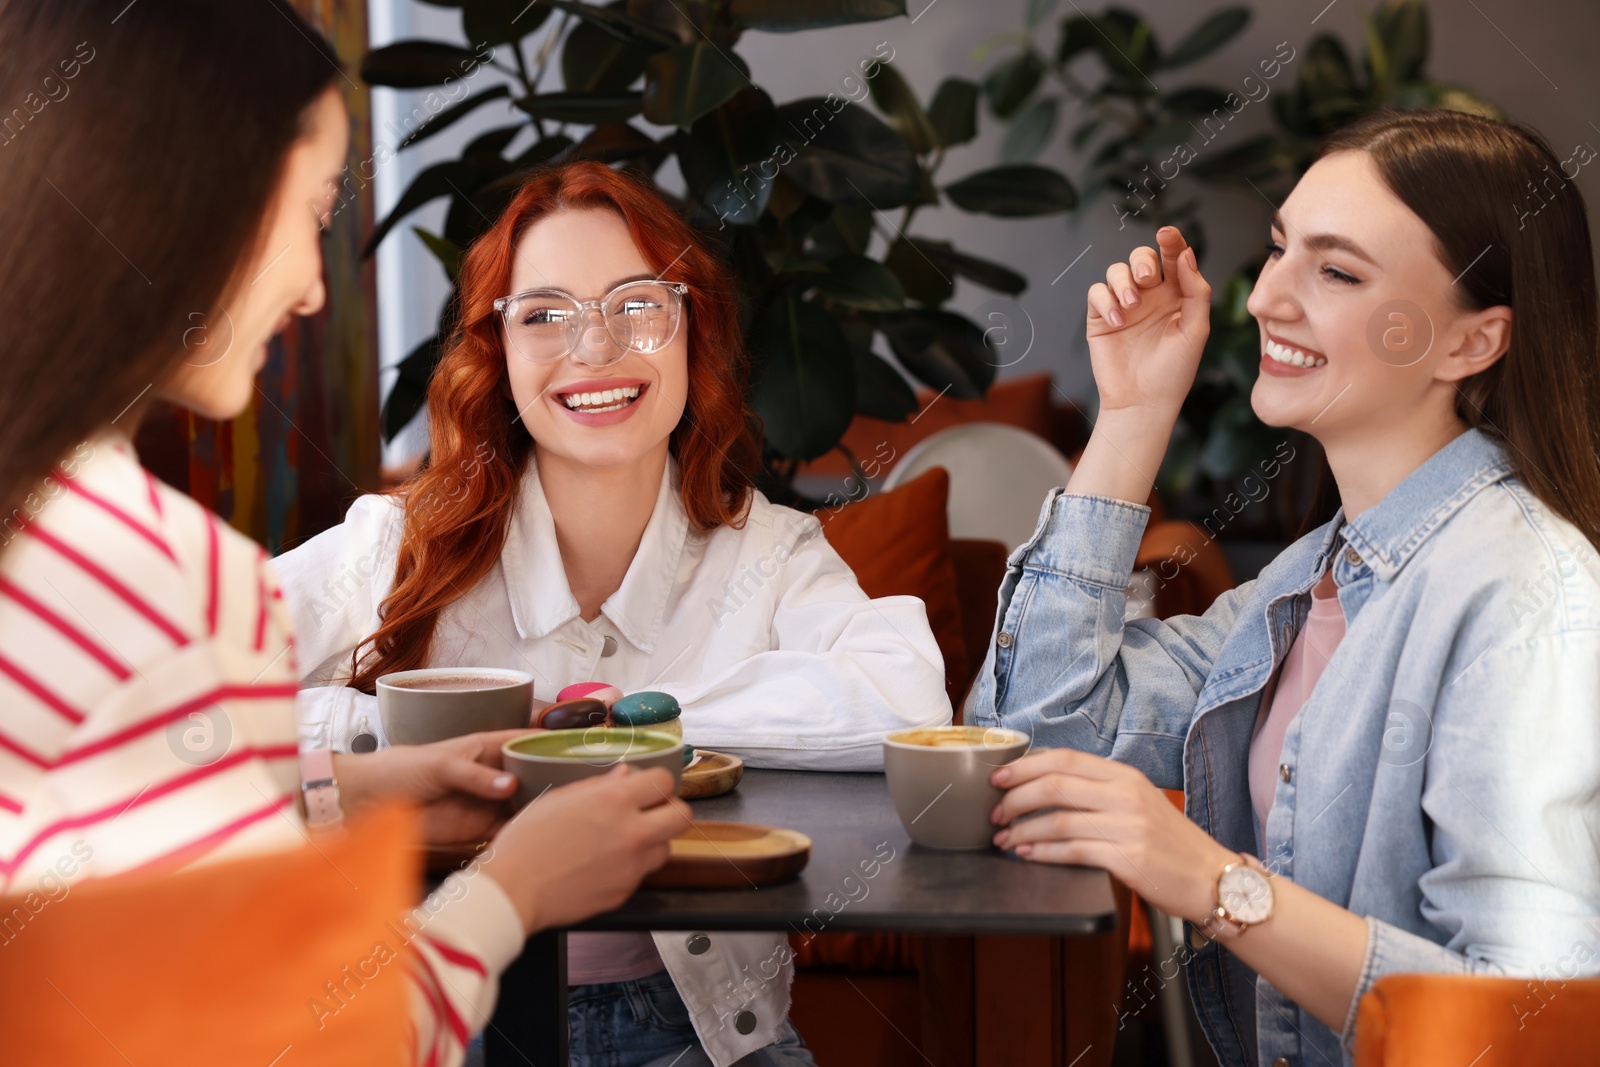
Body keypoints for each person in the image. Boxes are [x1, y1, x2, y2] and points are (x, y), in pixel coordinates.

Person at [0, 4, 690, 1066]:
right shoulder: (159, 576)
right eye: (314, 209)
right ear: (189, 197)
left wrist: (335, 789)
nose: (317, 288)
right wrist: (515, 889)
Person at [271, 157, 951, 1067]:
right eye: (545, 315)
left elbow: (906, 701)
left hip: (697, 1034)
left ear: (689, 330)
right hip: (443, 1020)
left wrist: (618, 736)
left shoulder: (770, 551)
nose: (595, 349)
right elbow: (168, 706)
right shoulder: (399, 543)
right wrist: (406, 745)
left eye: (637, 304)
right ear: (497, 349)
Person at [968, 108, 1600, 1066]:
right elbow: (1036, 736)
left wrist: (1211, 878)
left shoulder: (1524, 598)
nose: (1265, 298)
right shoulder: (1314, 578)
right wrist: (1136, 412)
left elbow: (1524, 1019)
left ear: (1473, 342)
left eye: (1337, 271)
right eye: (1277, 251)